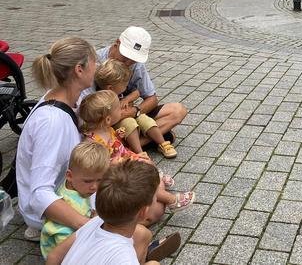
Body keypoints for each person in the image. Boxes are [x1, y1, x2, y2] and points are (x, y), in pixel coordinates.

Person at [16, 38, 97, 242]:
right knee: (148, 208)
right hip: (51, 209)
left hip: (71, 190)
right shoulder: (52, 121)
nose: (98, 67)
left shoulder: (64, 99)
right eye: (95, 62)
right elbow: (40, 193)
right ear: (80, 69)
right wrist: (89, 227)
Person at [79, 91, 194, 215]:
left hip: (125, 157)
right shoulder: (94, 141)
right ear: (108, 119)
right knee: (143, 176)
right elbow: (99, 164)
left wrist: (117, 135)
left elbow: (113, 143)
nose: (122, 111)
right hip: (116, 170)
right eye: (119, 109)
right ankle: (171, 200)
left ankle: (157, 178)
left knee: (147, 161)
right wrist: (115, 163)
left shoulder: (106, 128)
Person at [46, 161, 182, 265]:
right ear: (144, 211)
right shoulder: (124, 258)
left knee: (143, 234)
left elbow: (53, 257)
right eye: (155, 198)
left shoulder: (94, 222)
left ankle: (146, 252)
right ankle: (147, 257)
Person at [88, 27, 187, 149]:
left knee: (178, 111)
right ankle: (149, 139)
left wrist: (135, 110)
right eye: (125, 58)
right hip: (106, 122)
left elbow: (152, 98)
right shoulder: (95, 63)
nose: (128, 63)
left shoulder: (137, 65)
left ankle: (126, 147)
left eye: (133, 60)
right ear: (116, 43)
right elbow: (86, 112)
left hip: (130, 115)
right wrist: (115, 116)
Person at [94, 59, 176, 159]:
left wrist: (127, 99)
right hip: (117, 123)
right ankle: (140, 153)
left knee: (144, 119)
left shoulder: (119, 92)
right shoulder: (103, 98)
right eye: (124, 85)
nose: (126, 86)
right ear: (111, 88)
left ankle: (163, 144)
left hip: (130, 114)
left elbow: (137, 92)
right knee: (129, 123)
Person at [40, 142, 109, 259]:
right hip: (63, 249)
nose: (94, 187)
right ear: (69, 176)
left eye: (100, 180)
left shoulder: (75, 186)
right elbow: (64, 239)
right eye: (88, 181)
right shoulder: (72, 203)